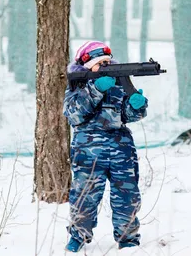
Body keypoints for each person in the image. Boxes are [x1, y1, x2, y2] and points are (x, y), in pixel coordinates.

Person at [63, 41, 148, 252]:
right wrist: (95, 89)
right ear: (87, 66)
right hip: (88, 151)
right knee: (84, 197)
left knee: (127, 196)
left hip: (121, 148)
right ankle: (78, 236)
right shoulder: (78, 86)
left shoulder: (119, 84)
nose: (105, 66)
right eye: (100, 63)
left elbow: (125, 115)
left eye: (108, 62)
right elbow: (73, 114)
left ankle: (128, 239)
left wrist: (137, 106)